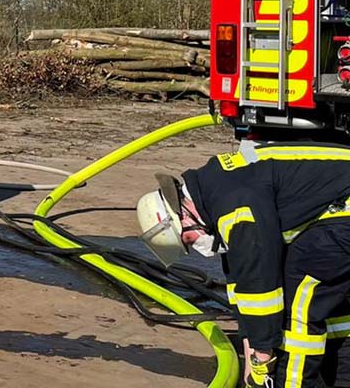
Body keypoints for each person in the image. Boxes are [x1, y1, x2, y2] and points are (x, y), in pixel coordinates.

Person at [137, 142, 350, 387]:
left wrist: (261, 359)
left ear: (183, 214)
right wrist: (251, 345)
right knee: (326, 300)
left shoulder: (236, 209)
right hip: (337, 207)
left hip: (344, 211)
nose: (195, 246)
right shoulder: (215, 188)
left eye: (188, 239)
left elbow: (259, 281)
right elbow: (241, 281)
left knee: (299, 296)